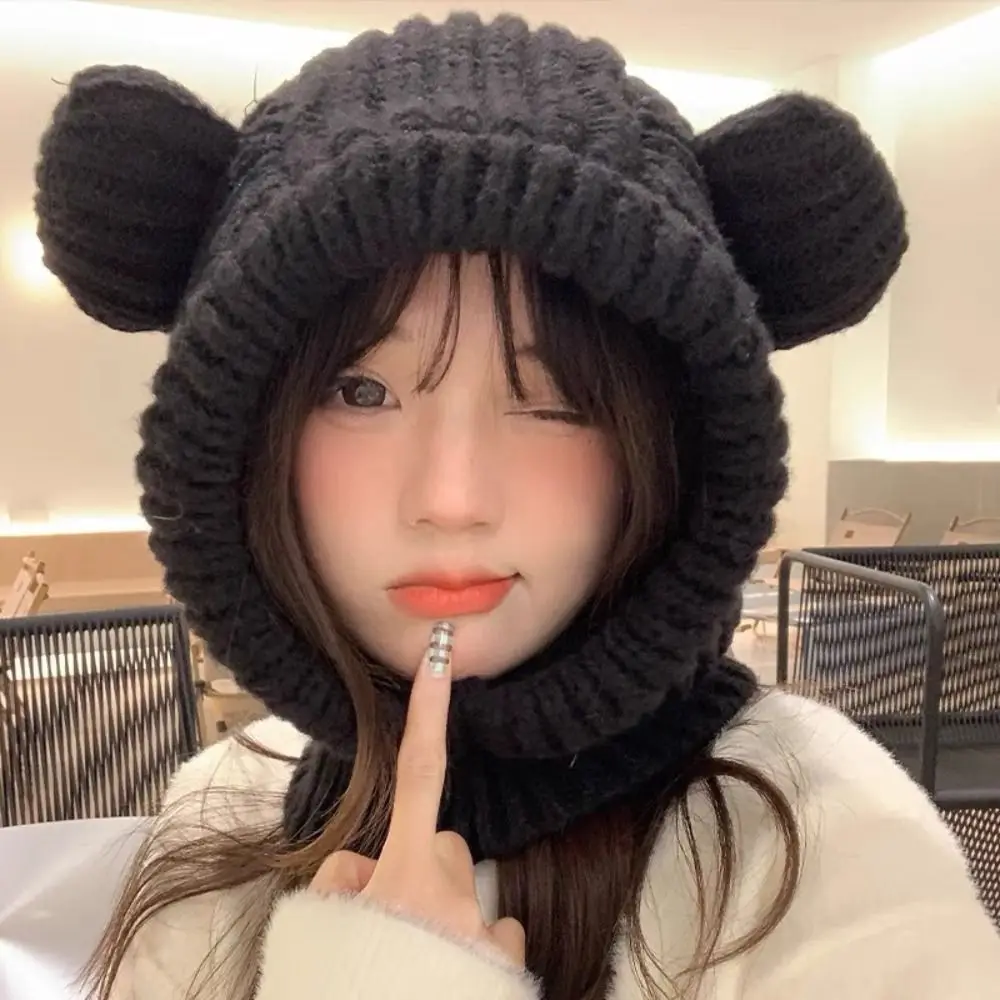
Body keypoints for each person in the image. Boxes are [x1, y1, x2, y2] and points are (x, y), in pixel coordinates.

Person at [33, 12, 1000, 1000]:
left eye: (555, 398)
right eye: (361, 391)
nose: (451, 499)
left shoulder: (825, 854)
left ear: (671, 441)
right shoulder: (223, 802)